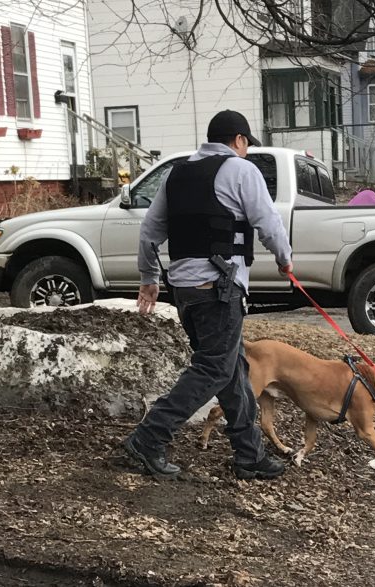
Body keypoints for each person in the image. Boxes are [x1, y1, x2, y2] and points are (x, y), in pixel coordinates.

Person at [123, 110, 293, 480]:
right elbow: (268, 222)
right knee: (214, 367)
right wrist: (285, 260)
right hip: (219, 289)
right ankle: (148, 437)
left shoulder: (177, 173)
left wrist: (149, 278)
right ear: (239, 140)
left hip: (184, 290)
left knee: (232, 369)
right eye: (247, 146)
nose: (246, 152)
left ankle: (249, 456)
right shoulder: (242, 170)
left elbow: (150, 231)